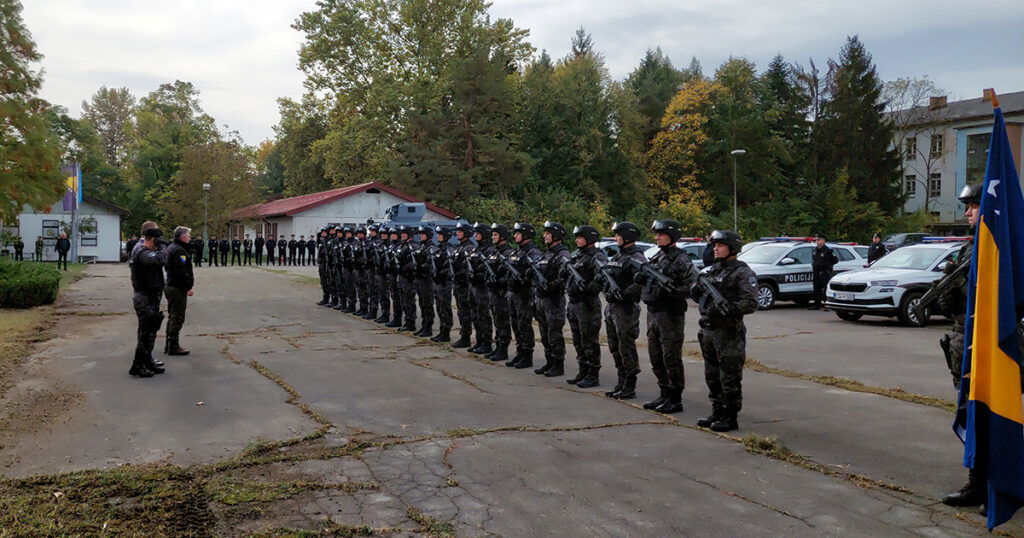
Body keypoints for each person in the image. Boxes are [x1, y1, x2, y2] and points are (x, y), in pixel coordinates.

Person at [939, 183, 984, 507]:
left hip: (993, 346)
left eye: (973, 206)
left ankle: (1001, 483)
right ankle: (977, 483)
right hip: (965, 342)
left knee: (994, 416)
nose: (967, 212)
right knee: (972, 414)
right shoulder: (969, 249)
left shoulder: (1007, 248)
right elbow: (949, 304)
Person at [692, 230, 759, 432]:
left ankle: (730, 416)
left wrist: (730, 308)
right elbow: (698, 292)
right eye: (714, 245)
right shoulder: (712, 270)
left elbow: (751, 302)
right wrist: (696, 291)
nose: (715, 248)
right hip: (709, 330)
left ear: (732, 248)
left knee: (729, 377)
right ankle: (717, 411)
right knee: (711, 375)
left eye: (720, 245)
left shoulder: (742, 272)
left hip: (728, 332)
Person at [639, 220, 696, 414]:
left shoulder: (681, 259)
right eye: (656, 234)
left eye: (661, 234)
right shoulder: (658, 256)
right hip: (653, 312)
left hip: (670, 314)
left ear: (672, 236)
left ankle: (675, 398)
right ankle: (664, 393)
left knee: (670, 357)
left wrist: (671, 290)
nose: (657, 237)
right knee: (656, 357)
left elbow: (692, 287)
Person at [601, 222, 647, 399]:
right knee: (614, 345)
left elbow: (641, 280)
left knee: (625, 346)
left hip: (626, 308)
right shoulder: (618, 256)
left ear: (627, 236)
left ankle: (629, 384)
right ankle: (621, 380)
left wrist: (625, 294)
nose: (615, 238)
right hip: (612, 307)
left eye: (618, 235)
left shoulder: (636, 257)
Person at [564, 225, 607, 388]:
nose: (576, 239)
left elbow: (602, 277)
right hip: (575, 304)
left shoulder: (596, 256)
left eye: (580, 237)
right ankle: (583, 370)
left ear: (589, 238)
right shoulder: (578, 256)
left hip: (587, 305)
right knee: (578, 341)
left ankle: (593, 374)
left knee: (589, 341)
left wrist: (589, 286)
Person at [128, 222, 168, 378]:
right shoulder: (142, 252)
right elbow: (158, 260)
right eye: (157, 240)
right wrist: (163, 248)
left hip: (151, 296)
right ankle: (137, 366)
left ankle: (147, 360)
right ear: (152, 239)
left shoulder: (146, 250)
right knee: (145, 332)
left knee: (150, 332)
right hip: (144, 297)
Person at [533, 222, 571, 377]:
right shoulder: (547, 254)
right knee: (544, 333)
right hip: (542, 299)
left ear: (556, 236)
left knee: (554, 333)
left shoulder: (562, 255)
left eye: (547, 233)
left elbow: (565, 276)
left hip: (554, 300)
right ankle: (549, 361)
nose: (544, 236)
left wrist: (551, 285)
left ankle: (558, 364)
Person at [164, 226, 195, 356]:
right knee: (177, 317)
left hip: (172, 285)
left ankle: (169, 344)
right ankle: (173, 346)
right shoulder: (179, 251)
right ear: (182, 237)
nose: (190, 238)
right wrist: (187, 286)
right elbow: (181, 271)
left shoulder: (173, 247)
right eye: (188, 235)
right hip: (177, 288)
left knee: (173, 316)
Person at [488, 224, 515, 364]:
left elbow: (510, 273)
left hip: (501, 293)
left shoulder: (508, 252)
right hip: (493, 292)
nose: (493, 237)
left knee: (503, 321)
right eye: (492, 235)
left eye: (495, 235)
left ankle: (503, 349)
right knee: (497, 321)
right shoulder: (494, 251)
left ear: (503, 237)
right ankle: (498, 346)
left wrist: (501, 281)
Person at [467, 223, 494, 355]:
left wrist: (481, 275)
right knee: (475, 315)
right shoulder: (476, 250)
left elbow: (489, 269)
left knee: (483, 316)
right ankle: (479, 340)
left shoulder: (489, 250)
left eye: (478, 232)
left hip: (483, 288)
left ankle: (487, 343)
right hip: (473, 287)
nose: (475, 235)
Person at [450, 222, 476, 348]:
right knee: (461, 311)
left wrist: (460, 273)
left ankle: (466, 337)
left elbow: (468, 268)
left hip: (464, 286)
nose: (457, 233)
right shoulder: (460, 247)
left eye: (460, 232)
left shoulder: (469, 248)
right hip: (458, 285)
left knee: (465, 312)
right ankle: (463, 335)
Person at [430, 226, 454, 342]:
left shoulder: (448, 249)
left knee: (445, 308)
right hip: (438, 283)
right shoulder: (439, 249)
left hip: (445, 283)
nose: (438, 236)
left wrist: (443, 272)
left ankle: (446, 333)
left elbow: (451, 266)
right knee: (439, 308)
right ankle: (441, 331)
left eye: (440, 234)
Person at [413, 225, 436, 336]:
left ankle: (428, 327)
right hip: (419, 279)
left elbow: (432, 264)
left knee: (427, 304)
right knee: (422, 303)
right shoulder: (421, 247)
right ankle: (424, 325)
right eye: (420, 234)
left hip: (427, 280)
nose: (421, 236)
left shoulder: (431, 248)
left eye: (423, 234)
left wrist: (423, 266)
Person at [396, 226, 418, 331]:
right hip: (402, 277)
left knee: (409, 300)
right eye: (402, 233)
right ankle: (407, 321)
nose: (402, 235)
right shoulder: (403, 245)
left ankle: (411, 322)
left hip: (409, 278)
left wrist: (408, 267)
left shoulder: (413, 246)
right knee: (403, 300)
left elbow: (415, 262)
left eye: (404, 233)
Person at [808, 234, 837, 310]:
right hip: (816, 272)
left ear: (823, 240)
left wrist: (828, 267)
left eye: (819, 240)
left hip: (824, 272)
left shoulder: (828, 250)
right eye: (816, 240)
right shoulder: (814, 250)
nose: (817, 242)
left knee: (825, 288)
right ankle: (817, 305)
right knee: (816, 289)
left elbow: (835, 260)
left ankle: (827, 304)